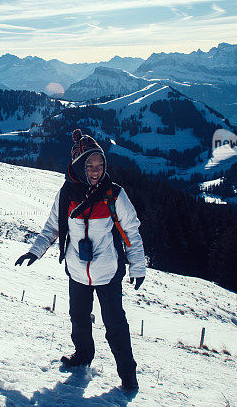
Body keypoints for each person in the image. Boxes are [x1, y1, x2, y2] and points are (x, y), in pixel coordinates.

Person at [15, 129, 146, 392]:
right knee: (78, 317)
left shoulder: (114, 195)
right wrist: (35, 251)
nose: (96, 170)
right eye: (90, 165)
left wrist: (137, 266)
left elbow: (131, 232)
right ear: (78, 166)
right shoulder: (66, 194)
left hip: (108, 271)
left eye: (100, 164)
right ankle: (83, 356)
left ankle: (128, 374)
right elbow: (52, 227)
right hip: (76, 270)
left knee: (115, 324)